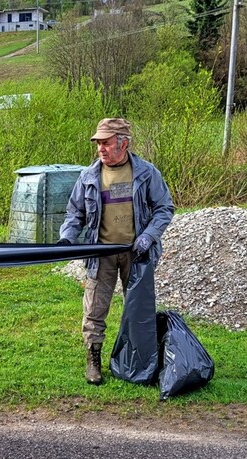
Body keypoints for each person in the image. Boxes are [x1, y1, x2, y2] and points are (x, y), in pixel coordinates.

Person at [57, 118, 174, 385]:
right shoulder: (88, 177)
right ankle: (93, 361)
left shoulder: (145, 173)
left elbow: (164, 208)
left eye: (106, 142)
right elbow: (75, 213)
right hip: (102, 255)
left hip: (137, 255)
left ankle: (138, 362)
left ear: (123, 142)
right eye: (99, 143)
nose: (101, 148)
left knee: (138, 311)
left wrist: (148, 236)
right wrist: (67, 238)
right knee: (95, 310)